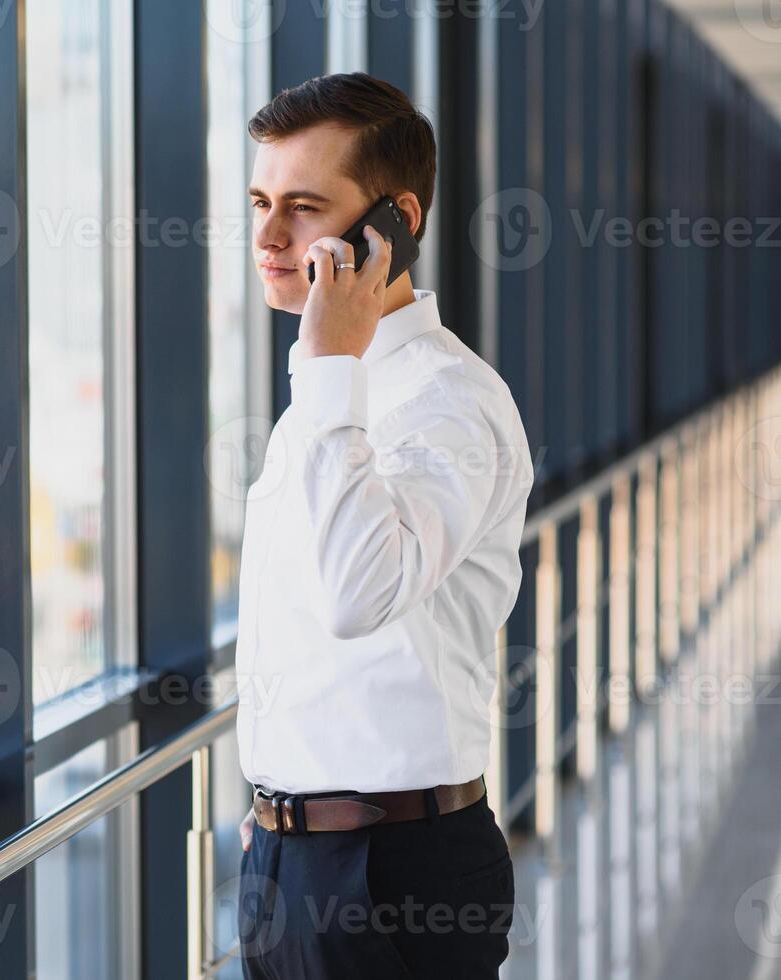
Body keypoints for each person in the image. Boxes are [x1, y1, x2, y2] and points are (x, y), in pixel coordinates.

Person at [233, 72, 535, 979]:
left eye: (303, 207)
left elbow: (358, 597)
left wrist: (328, 363)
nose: (268, 237)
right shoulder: (337, 394)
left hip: (396, 872)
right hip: (292, 859)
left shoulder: (444, 402)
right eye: (259, 202)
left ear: (393, 221)